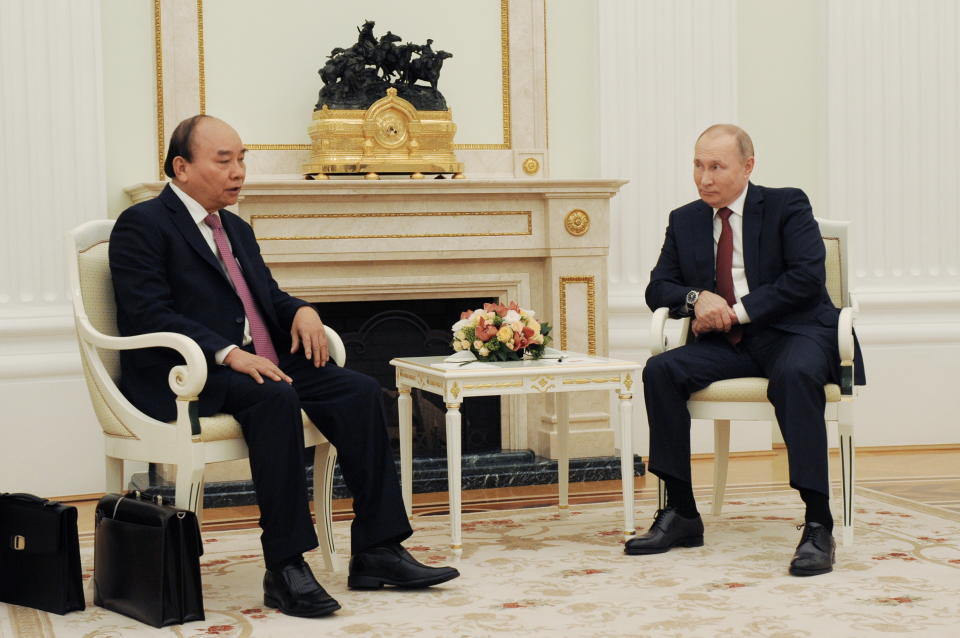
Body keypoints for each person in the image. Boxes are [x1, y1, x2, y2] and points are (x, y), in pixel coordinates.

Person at [109, 114, 459, 618]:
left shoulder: (234, 227)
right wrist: (227, 352)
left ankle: (378, 550)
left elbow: (265, 297)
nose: (239, 171)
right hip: (188, 375)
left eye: (242, 158)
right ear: (181, 167)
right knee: (275, 396)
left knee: (358, 390)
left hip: (261, 364)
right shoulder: (143, 224)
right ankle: (286, 566)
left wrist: (301, 310)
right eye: (224, 160)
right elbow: (148, 312)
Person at [627, 124, 865, 576]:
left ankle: (818, 523)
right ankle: (681, 514)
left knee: (794, 376)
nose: (704, 178)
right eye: (698, 165)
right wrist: (698, 299)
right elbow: (658, 287)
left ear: (748, 167)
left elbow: (806, 279)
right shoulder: (685, 219)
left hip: (794, 334)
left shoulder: (786, 204)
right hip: (729, 346)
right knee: (661, 371)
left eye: (716, 166)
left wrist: (736, 312)